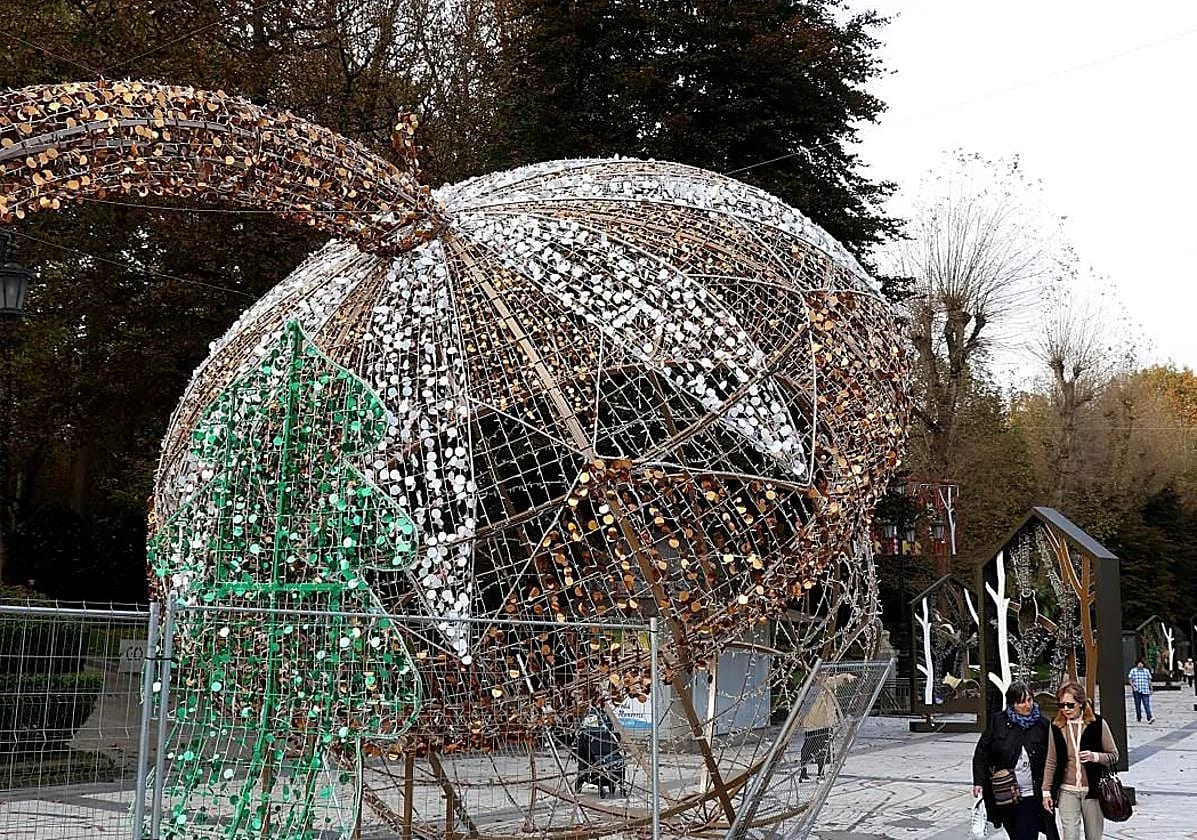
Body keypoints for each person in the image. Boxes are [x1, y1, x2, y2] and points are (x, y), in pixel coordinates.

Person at [972, 682, 1059, 840]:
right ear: (1012, 704)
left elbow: (1053, 758)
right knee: (1013, 831)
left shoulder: (1043, 724)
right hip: (1006, 793)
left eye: (1030, 700)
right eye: (1022, 702)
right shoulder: (998, 722)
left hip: (1032, 793)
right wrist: (979, 782)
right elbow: (982, 753)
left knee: (1028, 832)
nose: (1027, 705)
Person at [1042, 681, 1118, 840]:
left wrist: (1094, 756)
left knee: (1094, 836)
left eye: (1070, 705)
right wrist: (1046, 792)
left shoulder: (1097, 724)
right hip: (1066, 790)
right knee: (1070, 836)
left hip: (1093, 791)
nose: (1065, 709)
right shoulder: (1056, 726)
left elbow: (1113, 755)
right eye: (1061, 705)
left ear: (1081, 703)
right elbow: (1051, 760)